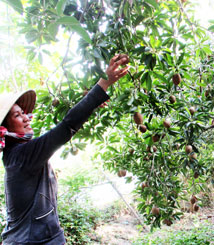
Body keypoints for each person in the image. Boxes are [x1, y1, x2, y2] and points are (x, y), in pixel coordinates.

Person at [0, 54, 129, 244]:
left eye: (25, 113)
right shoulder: (21, 156)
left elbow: (65, 129)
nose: (27, 117)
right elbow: (66, 127)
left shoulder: (21, 154)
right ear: (5, 129)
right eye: (18, 116)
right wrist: (104, 84)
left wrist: (90, 107)